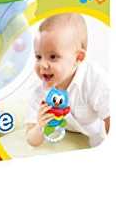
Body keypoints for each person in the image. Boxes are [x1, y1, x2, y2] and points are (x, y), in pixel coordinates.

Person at [24, 12, 109, 148]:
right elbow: (30, 139)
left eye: (53, 57)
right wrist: (39, 127)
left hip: (96, 134)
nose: (43, 65)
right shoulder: (40, 90)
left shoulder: (95, 81)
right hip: (68, 133)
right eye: (38, 56)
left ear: (78, 58)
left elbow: (111, 120)